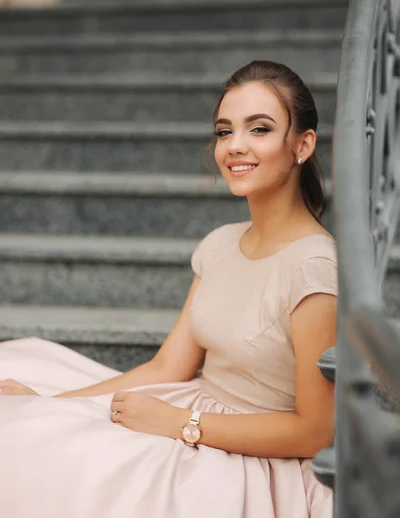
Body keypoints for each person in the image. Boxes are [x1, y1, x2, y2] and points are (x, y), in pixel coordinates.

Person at [0, 60, 338, 518]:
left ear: (302, 144)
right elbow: (168, 366)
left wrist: (184, 424)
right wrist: (50, 405)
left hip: (248, 455)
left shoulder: (314, 267)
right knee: (19, 378)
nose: (235, 146)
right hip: (184, 407)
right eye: (224, 131)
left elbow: (316, 432)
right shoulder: (219, 245)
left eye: (259, 129)